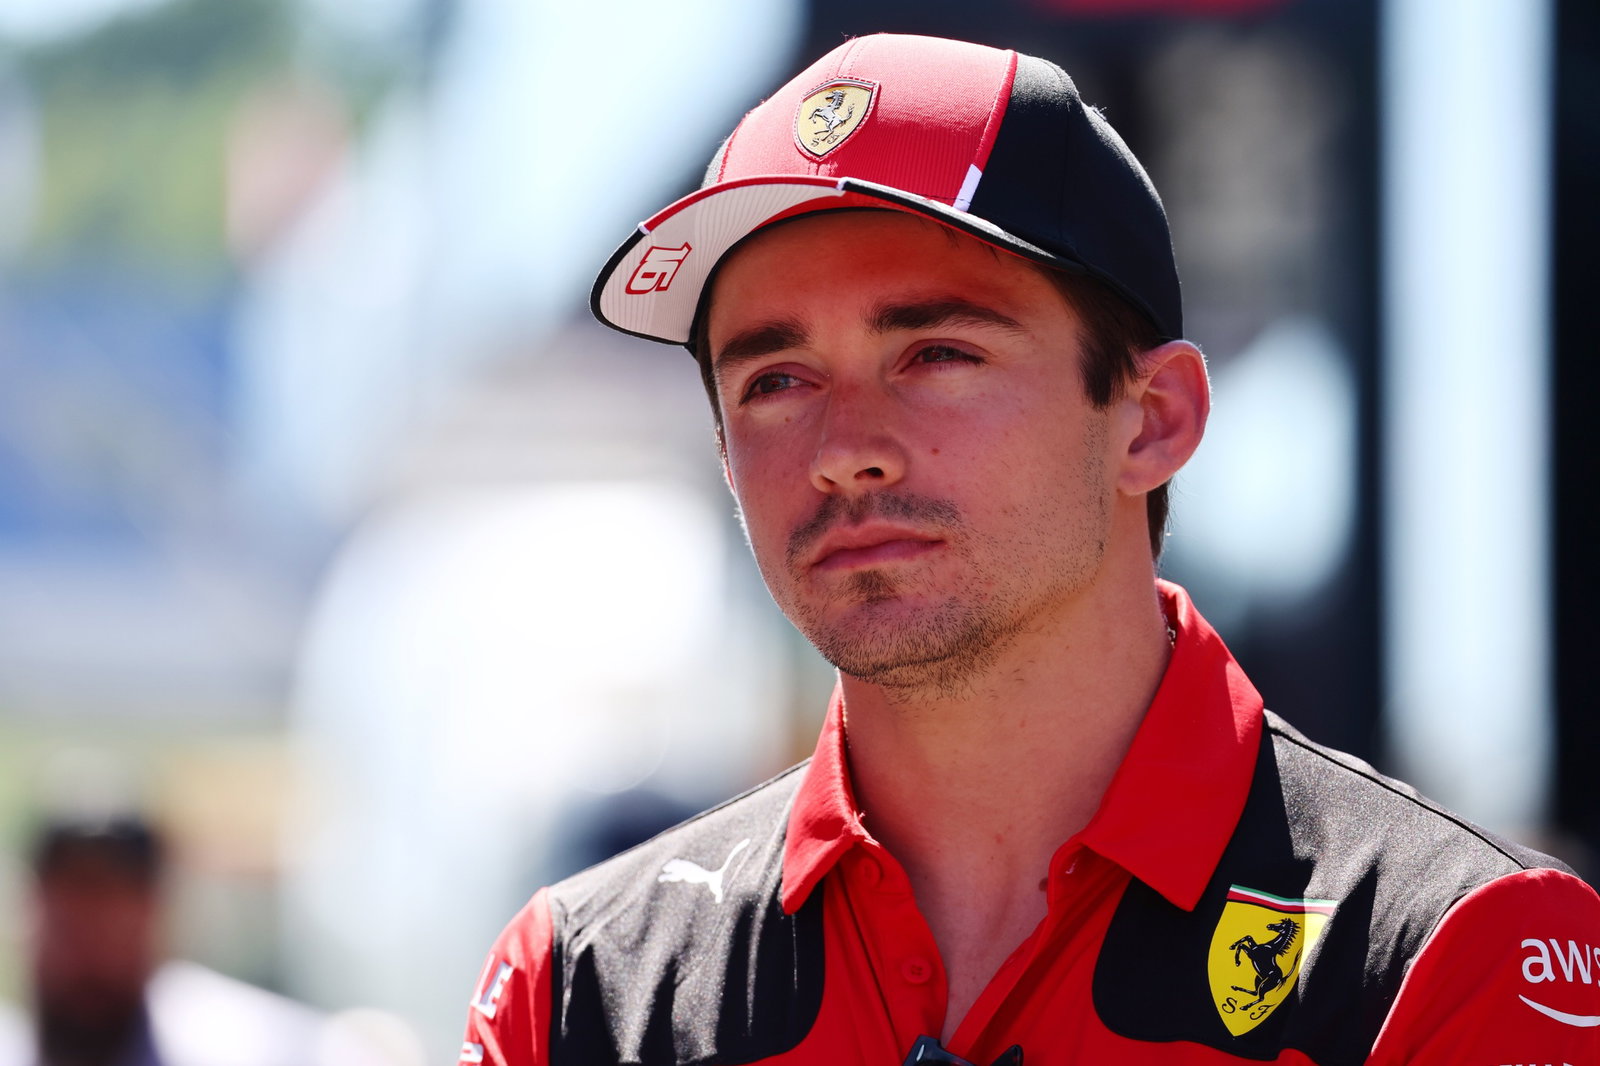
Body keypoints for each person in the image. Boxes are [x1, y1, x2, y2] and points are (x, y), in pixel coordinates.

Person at [459, 33, 1600, 1065]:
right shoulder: (577, 993)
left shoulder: (1457, 947)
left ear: (1152, 418)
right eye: (775, 380)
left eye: (937, 354)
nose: (844, 449)